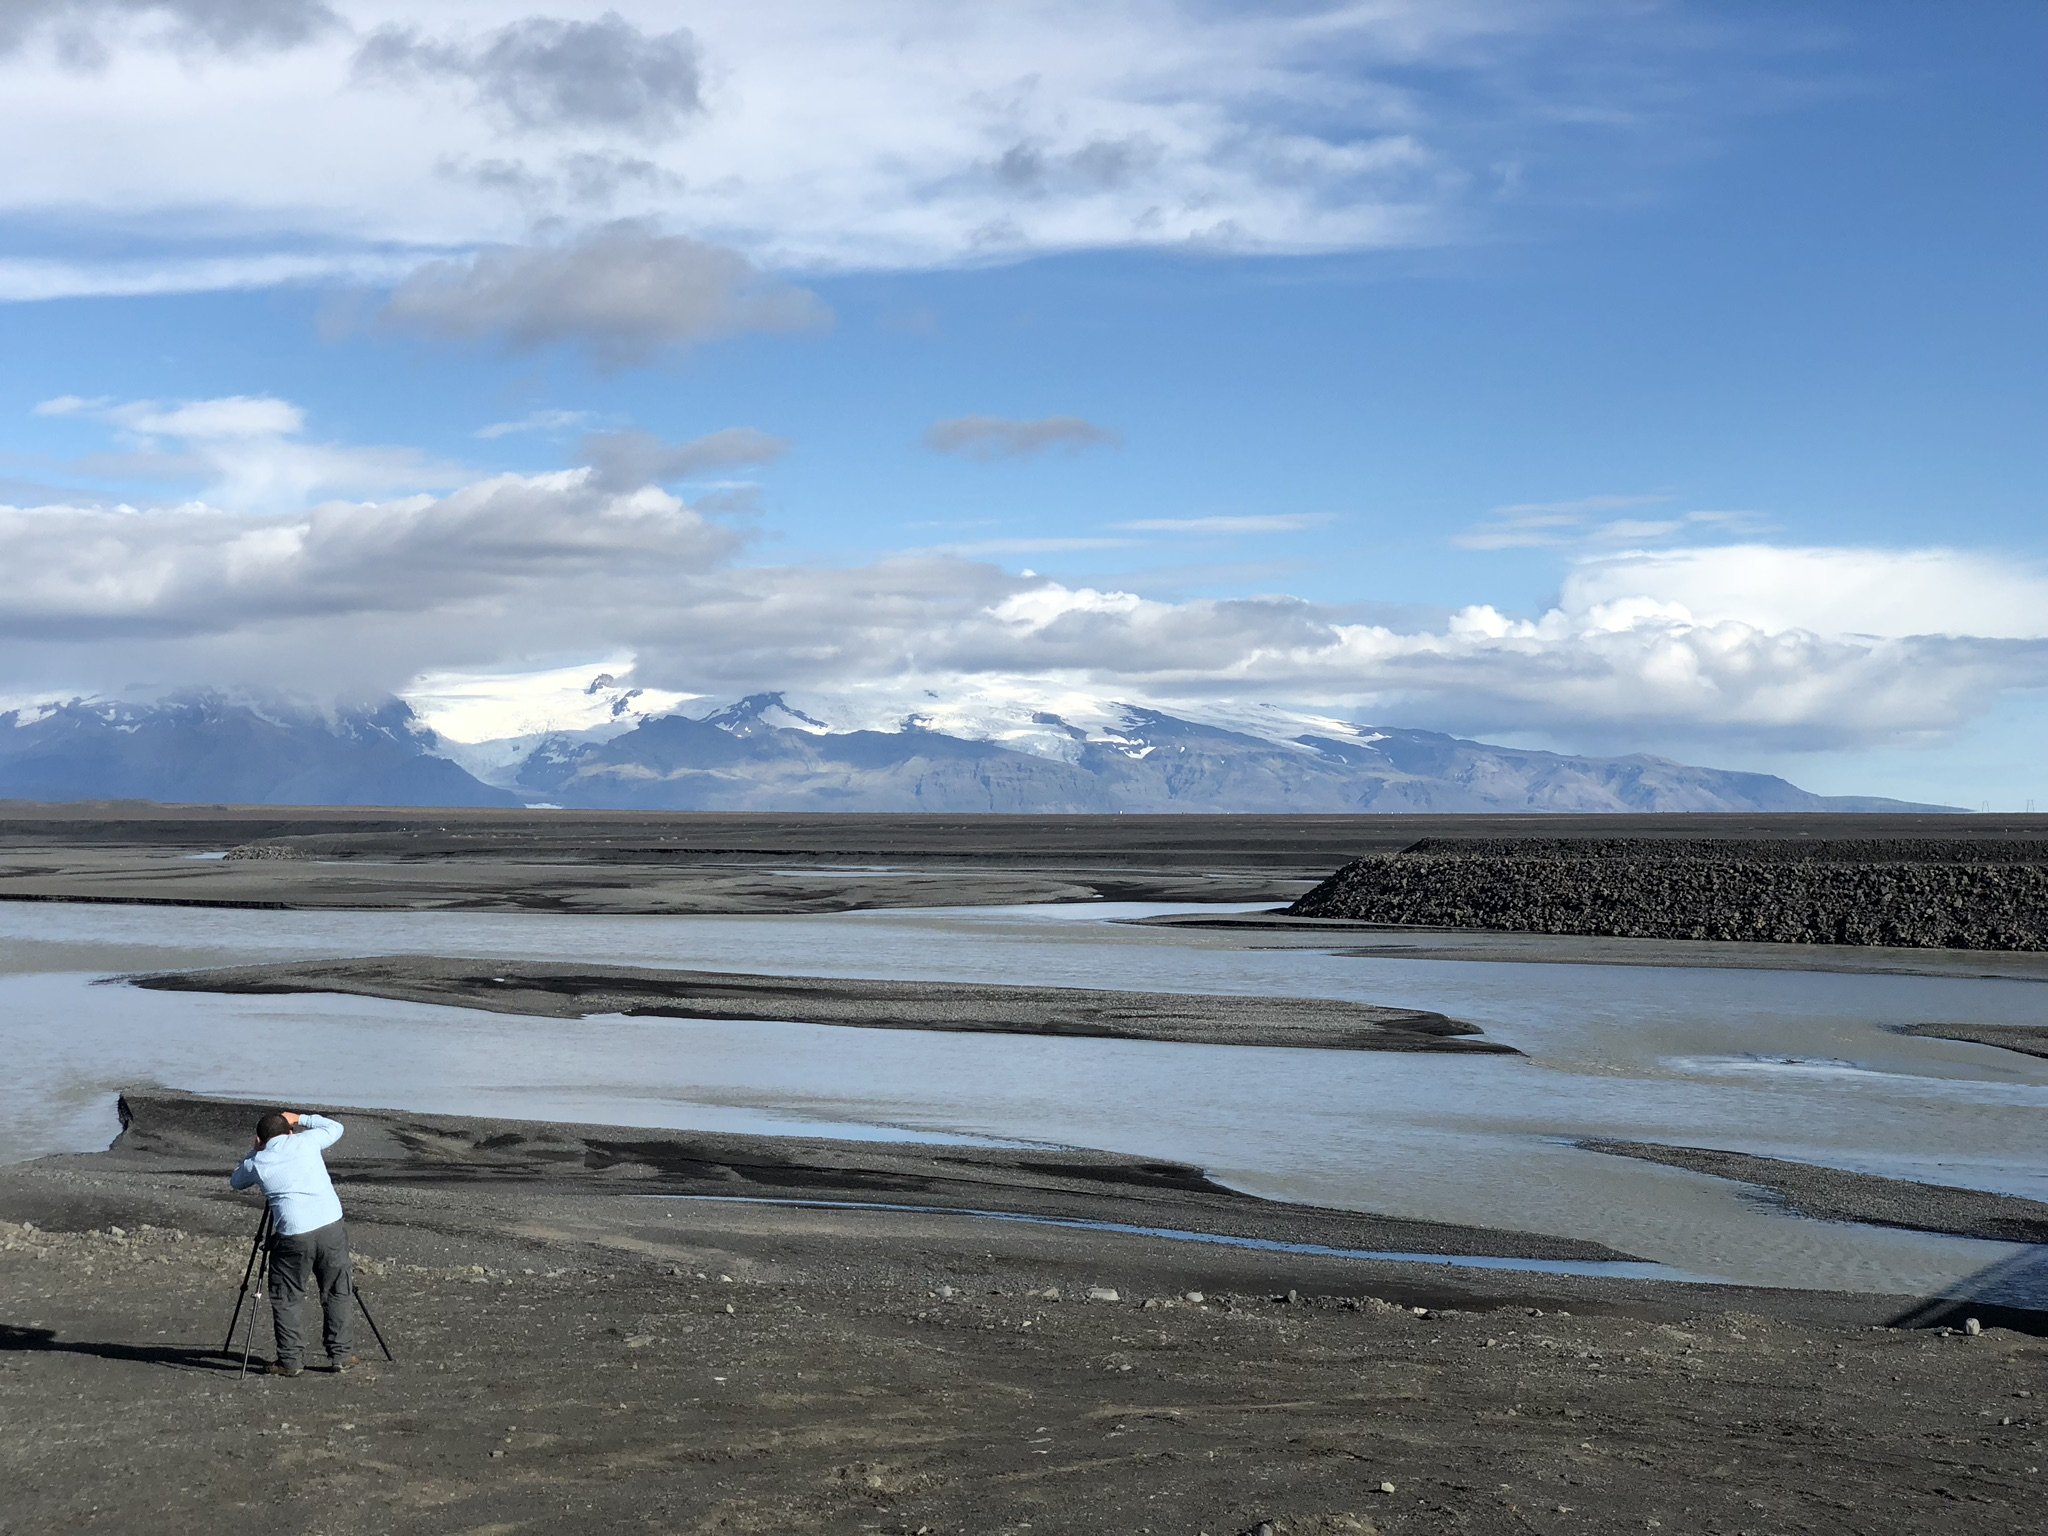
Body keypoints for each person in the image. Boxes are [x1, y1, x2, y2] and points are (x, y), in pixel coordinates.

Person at [229, 1109, 358, 1377]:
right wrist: (301, 1118)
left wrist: (254, 1152)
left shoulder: (259, 1162)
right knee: (337, 1290)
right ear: (289, 1131)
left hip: (293, 1235)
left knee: (287, 1296)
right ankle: (341, 1355)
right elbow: (336, 1128)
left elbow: (236, 1181)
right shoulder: (306, 1141)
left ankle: (291, 1361)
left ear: (260, 1139)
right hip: (331, 1226)